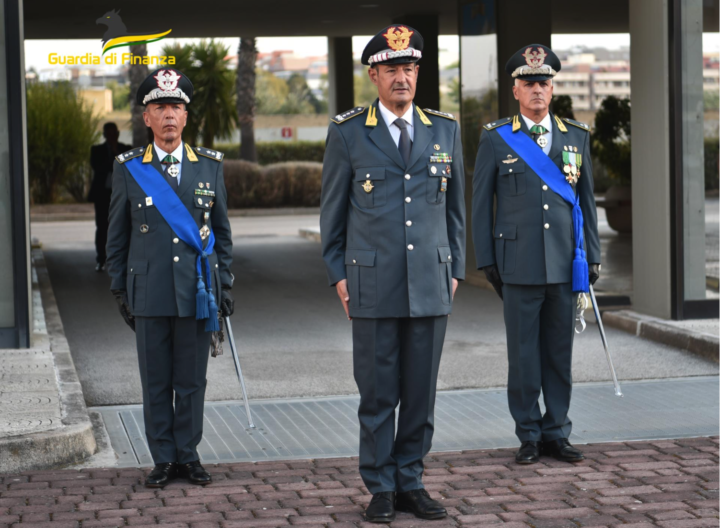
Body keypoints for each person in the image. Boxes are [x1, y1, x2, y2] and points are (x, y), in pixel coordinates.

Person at [320, 25, 465, 523]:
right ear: (373, 76)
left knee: (420, 393)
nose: (401, 78)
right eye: (391, 70)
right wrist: (339, 274)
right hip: (371, 282)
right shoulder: (347, 132)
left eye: (409, 69)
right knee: (379, 392)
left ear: (418, 73)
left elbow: (456, 212)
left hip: (430, 280)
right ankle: (380, 486)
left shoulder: (445, 129)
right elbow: (333, 214)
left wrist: (456, 268)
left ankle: (412, 481)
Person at [472, 44, 601, 465]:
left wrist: (593, 256)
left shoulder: (576, 136)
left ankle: (556, 432)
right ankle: (528, 434)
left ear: (553, 88)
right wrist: (488, 260)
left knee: (557, 355)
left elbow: (586, 202)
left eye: (544, 83)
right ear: (515, 90)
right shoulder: (496, 138)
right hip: (519, 265)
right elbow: (480, 205)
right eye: (529, 83)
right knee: (524, 357)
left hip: (565, 264)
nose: (537, 90)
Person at [105, 68, 234, 487]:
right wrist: (120, 289)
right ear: (147, 118)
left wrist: (225, 285)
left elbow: (223, 234)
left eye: (176, 106)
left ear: (186, 115)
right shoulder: (128, 168)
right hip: (150, 291)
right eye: (160, 107)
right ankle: (163, 458)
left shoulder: (210, 167)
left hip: (197, 293)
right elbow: (117, 236)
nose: (169, 115)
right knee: (156, 380)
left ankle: (188, 454)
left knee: (192, 380)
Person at [88, 122, 130, 271]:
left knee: (124, 226)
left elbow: (127, 167)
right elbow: (98, 167)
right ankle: (101, 259)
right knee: (102, 226)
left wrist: (116, 151)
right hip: (102, 195)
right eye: (109, 134)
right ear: (104, 135)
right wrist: (112, 155)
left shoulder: (126, 149)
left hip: (122, 195)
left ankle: (121, 258)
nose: (112, 136)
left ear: (118, 134)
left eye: (114, 134)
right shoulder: (96, 150)